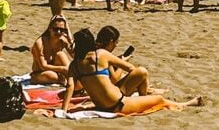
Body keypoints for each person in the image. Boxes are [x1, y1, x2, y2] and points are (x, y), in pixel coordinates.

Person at [62, 28, 202, 115]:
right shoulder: (101, 54)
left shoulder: (74, 65)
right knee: (157, 97)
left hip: (102, 105)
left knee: (142, 77)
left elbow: (70, 87)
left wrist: (64, 109)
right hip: (118, 104)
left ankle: (143, 98)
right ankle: (186, 104)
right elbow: (130, 68)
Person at [30, 15, 74, 85]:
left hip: (56, 70)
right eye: (56, 29)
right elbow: (43, 66)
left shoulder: (62, 40)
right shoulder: (40, 43)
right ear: (50, 29)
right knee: (52, 76)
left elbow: (74, 55)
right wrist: (63, 69)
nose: (59, 32)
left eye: (62, 30)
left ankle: (67, 79)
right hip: (40, 72)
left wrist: (69, 38)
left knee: (61, 54)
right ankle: (65, 79)